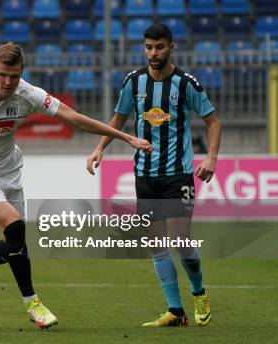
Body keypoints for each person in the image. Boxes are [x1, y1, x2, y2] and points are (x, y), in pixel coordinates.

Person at [0, 42, 152, 329]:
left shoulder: (29, 95)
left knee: (15, 242)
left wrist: (127, 138)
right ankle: (33, 304)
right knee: (14, 226)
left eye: (14, 76)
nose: (7, 82)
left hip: (10, 172)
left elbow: (76, 119)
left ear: (21, 74)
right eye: (2, 75)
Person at [86, 23, 222, 327]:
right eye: (149, 47)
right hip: (145, 176)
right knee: (157, 244)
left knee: (181, 240)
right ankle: (176, 311)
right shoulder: (133, 82)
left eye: (159, 47)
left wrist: (211, 158)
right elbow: (119, 118)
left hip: (178, 175)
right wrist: (100, 148)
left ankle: (198, 292)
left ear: (171, 47)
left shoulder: (186, 83)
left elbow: (213, 122)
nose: (153, 53)